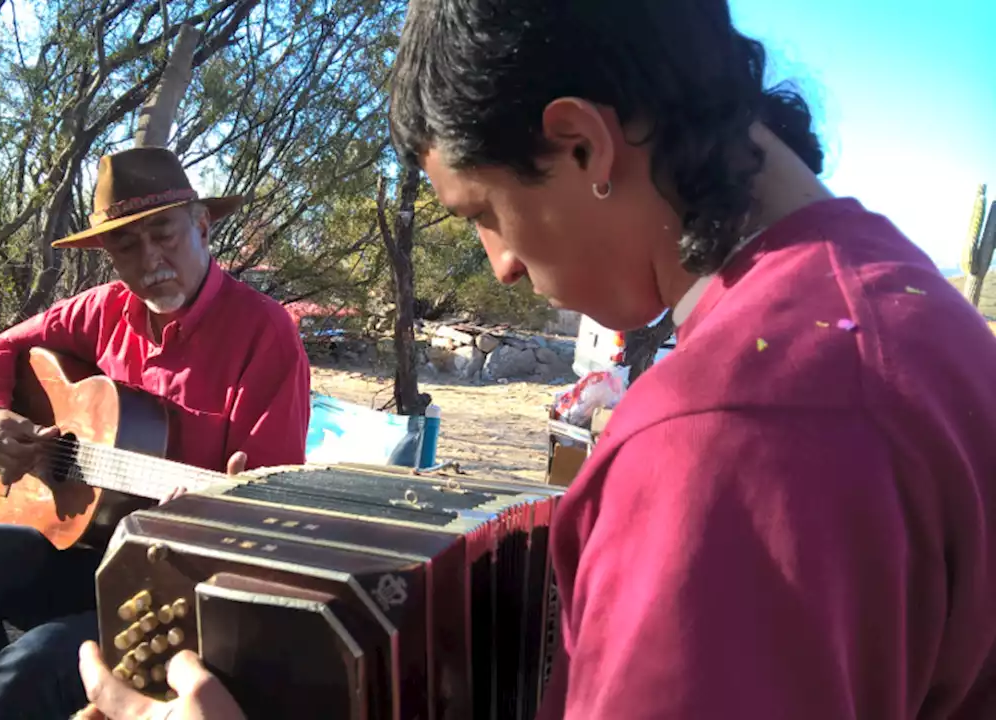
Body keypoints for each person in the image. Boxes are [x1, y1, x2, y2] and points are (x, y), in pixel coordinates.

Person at [87, 0, 996, 717]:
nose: (503, 265)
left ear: (583, 143)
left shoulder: (717, 442)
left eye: (482, 214)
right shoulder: (910, 307)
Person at [0, 146, 311, 720]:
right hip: (90, 550)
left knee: (41, 660)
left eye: (164, 233)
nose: (150, 259)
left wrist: (212, 513)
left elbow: (270, 502)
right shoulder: (101, 311)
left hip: (181, 585)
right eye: (126, 244)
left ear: (201, 225)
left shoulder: (264, 332)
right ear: (108, 254)